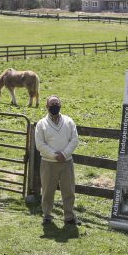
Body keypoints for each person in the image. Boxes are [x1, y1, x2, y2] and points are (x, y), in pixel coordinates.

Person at [34, 95, 80, 225]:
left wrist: (64, 154)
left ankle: (69, 216)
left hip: (67, 162)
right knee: (48, 191)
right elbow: (40, 144)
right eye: (52, 104)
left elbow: (74, 139)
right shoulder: (41, 124)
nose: (55, 106)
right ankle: (47, 215)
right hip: (48, 163)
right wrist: (55, 155)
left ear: (60, 105)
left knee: (69, 190)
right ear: (47, 106)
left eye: (57, 103)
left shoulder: (69, 121)